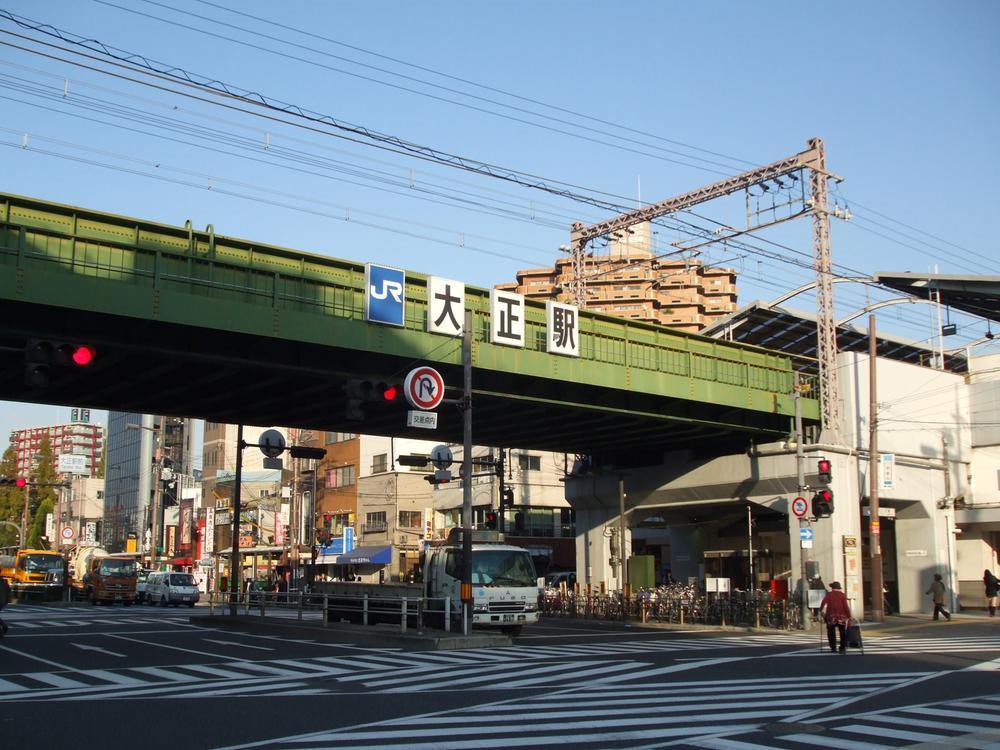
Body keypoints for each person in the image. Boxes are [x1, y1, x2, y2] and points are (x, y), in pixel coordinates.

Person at [819, 581, 851, 653]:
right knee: (842, 632)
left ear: (832, 588)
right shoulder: (842, 595)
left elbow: (823, 602)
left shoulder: (829, 594)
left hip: (831, 616)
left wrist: (820, 610)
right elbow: (845, 606)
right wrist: (849, 616)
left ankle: (833, 647)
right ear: (839, 588)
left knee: (831, 632)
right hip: (841, 616)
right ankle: (842, 648)